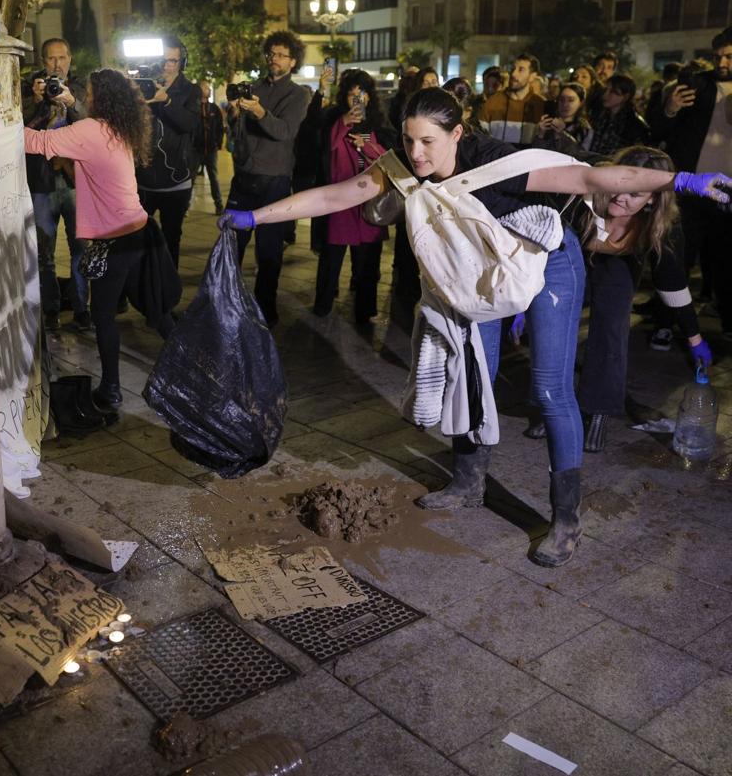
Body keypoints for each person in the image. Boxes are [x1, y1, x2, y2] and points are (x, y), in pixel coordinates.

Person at [219, 86, 731, 567]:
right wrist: (254, 218)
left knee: (550, 389)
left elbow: (593, 178)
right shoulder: (403, 167)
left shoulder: (496, 162)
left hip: (545, 262)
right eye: (408, 139)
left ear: (457, 134)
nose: (416, 153)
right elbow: (335, 196)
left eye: (428, 142)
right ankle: (469, 482)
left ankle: (566, 518)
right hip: (478, 273)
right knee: (474, 372)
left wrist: (681, 180)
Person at [24, 69, 174, 410]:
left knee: (103, 315)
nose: (85, 95)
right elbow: (90, 159)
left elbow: (32, 142)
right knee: (157, 312)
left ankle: (110, 389)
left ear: (99, 97)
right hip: (140, 231)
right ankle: (194, 367)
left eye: (88, 91)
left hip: (117, 239)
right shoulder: (118, 127)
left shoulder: (89, 130)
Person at [572, 147, 712, 452]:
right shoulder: (585, 195)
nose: (621, 199)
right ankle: (554, 404)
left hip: (619, 265)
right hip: (573, 255)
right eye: (618, 188)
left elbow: (672, 285)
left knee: (612, 323)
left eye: (634, 195)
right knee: (556, 316)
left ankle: (598, 410)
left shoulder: (662, 226)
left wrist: (694, 337)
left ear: (652, 199)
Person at [650, 28, 732, 340]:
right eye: (718, 55)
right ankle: (665, 323)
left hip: (728, 194)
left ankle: (727, 325)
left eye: (729, 56)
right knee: (676, 258)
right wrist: (669, 108)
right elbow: (658, 128)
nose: (721, 61)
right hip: (691, 188)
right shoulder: (697, 84)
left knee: (726, 263)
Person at [226, 30, 311, 327]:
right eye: (270, 54)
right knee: (231, 243)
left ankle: (265, 309)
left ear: (293, 61)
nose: (274, 59)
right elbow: (238, 132)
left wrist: (260, 111)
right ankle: (227, 303)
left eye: (280, 55)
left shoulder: (299, 95)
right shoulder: (254, 87)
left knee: (269, 249)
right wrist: (235, 114)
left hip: (274, 179)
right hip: (244, 175)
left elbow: (284, 132)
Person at [309, 69, 398, 322]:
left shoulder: (379, 124)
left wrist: (367, 144)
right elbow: (325, 145)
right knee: (331, 258)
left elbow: (389, 157)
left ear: (370, 97)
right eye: (352, 95)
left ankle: (366, 309)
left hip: (369, 203)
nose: (357, 100)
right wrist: (343, 122)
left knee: (368, 262)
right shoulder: (334, 120)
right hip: (340, 202)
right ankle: (323, 304)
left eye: (362, 94)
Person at [25, 38, 89, 331]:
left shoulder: (80, 89)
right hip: (42, 182)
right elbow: (20, 128)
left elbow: (91, 125)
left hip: (75, 180)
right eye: (51, 59)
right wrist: (38, 103)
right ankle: (50, 310)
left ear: (70, 59)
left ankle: (81, 309)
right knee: (44, 252)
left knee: (81, 249)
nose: (57, 64)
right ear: (43, 61)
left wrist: (71, 103)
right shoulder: (29, 90)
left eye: (62, 58)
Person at [136, 37, 201, 268]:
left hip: (176, 180)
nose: (167, 66)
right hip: (144, 177)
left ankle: (169, 293)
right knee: (137, 238)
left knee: (171, 239)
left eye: (173, 61)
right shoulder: (144, 84)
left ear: (181, 63)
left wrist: (167, 101)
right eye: (163, 60)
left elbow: (190, 124)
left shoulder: (191, 90)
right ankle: (143, 287)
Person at [477, 52, 546, 144]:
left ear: (532, 76)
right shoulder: (493, 102)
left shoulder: (540, 105)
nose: (513, 74)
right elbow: (480, 139)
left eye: (521, 70)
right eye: (513, 69)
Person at [590, 74, 649, 155]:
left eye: (613, 92)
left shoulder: (634, 125)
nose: (605, 94)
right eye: (605, 89)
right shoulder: (600, 115)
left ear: (626, 96)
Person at [533, 82, 594, 156]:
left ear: (580, 103)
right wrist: (540, 134)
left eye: (571, 100)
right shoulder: (549, 123)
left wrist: (562, 134)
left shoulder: (585, 129)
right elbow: (537, 153)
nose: (565, 104)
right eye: (562, 100)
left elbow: (580, 155)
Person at [195, 80, 226, 214]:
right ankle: (184, 207)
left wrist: (218, 143)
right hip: (195, 149)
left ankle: (218, 205)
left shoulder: (214, 108)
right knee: (190, 178)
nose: (208, 90)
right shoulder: (194, 107)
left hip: (211, 150)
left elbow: (220, 127)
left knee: (214, 177)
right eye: (206, 88)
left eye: (208, 88)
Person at [587, 50, 619, 122]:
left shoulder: (613, 95)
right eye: (601, 66)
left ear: (613, 72)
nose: (604, 71)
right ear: (594, 67)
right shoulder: (586, 88)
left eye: (609, 67)